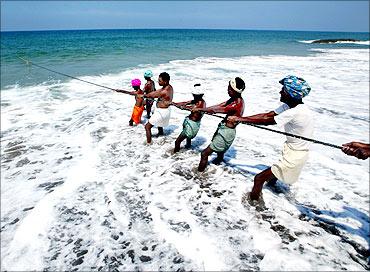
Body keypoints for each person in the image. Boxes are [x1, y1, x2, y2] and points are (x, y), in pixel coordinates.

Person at [228, 75, 313, 203]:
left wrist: (240, 119)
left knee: (259, 179)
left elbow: (268, 121)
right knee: (274, 175)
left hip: (296, 155)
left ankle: (254, 205)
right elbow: (267, 115)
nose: (280, 91)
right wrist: (242, 119)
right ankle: (274, 192)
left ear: (291, 94)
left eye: (283, 90)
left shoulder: (295, 112)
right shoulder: (290, 106)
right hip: (292, 150)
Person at [193, 77, 245, 172]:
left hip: (226, 132)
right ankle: (218, 166)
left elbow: (219, 110)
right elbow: (220, 105)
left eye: (230, 88)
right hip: (224, 129)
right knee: (220, 152)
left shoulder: (236, 104)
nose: (227, 90)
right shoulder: (234, 99)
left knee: (204, 154)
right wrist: (205, 109)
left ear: (235, 91)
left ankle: (199, 176)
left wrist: (200, 109)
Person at [172, 83, 206, 153]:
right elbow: (186, 103)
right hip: (191, 123)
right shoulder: (198, 100)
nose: (193, 95)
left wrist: (182, 107)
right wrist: (174, 103)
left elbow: (189, 107)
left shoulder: (200, 104)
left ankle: (175, 155)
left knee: (177, 141)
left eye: (194, 95)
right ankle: (188, 147)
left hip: (191, 126)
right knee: (188, 139)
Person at [141, 72, 173, 144]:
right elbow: (157, 92)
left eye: (160, 81)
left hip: (162, 112)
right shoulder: (169, 87)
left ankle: (149, 143)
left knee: (147, 127)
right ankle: (161, 134)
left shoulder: (164, 91)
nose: (158, 82)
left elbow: (152, 95)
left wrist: (143, 95)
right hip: (166, 111)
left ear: (165, 81)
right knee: (159, 124)